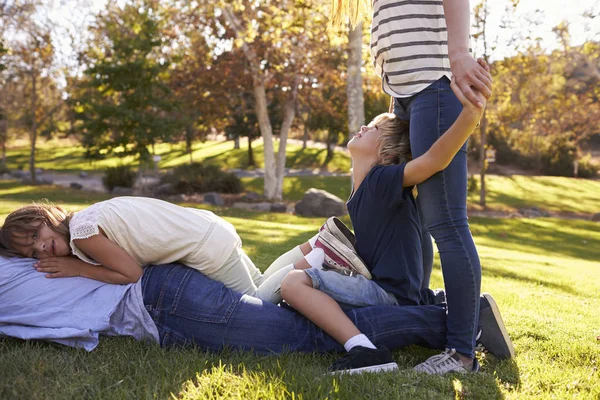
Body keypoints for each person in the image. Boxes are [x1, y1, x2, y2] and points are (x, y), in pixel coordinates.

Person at [276, 79, 509, 374]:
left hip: (390, 294)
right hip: (389, 287)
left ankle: (363, 351)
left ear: (386, 152)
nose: (363, 128)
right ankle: (455, 309)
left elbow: (433, 161)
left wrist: (470, 117)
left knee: (294, 283)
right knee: (303, 275)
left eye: (373, 129)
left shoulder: (381, 180)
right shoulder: (366, 186)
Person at [332, 0, 493, 374]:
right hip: (407, 95)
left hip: (434, 84)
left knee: (446, 222)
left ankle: (461, 354)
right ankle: (430, 316)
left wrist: (458, 54)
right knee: (415, 217)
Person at [0, 255, 513, 364]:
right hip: (163, 305)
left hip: (159, 302)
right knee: (297, 330)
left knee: (303, 336)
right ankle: (447, 313)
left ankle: (452, 321)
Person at [0, 197, 288, 302]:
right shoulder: (87, 216)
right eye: (33, 253)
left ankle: (317, 262)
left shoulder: (82, 234)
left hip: (205, 247)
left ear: (45, 214)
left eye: (36, 234)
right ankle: (314, 246)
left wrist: (78, 268)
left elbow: (131, 274)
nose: (41, 247)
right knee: (262, 279)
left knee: (258, 299)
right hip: (209, 228)